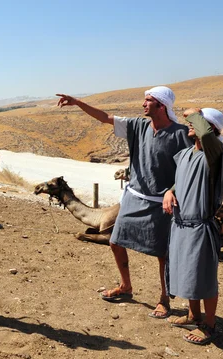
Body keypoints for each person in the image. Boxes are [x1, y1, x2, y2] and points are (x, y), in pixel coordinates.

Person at [56, 87, 193, 318]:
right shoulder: (138, 126)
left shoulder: (180, 134)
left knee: (163, 254)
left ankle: (164, 298)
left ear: (161, 106)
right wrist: (78, 102)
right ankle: (126, 286)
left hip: (162, 203)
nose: (143, 104)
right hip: (134, 197)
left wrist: (173, 191)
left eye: (148, 101)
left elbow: (190, 169)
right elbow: (105, 118)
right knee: (115, 240)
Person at [162, 108, 223, 345]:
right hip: (180, 224)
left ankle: (209, 325)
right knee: (186, 273)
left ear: (209, 128)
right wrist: (169, 193)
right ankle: (193, 315)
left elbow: (208, 138)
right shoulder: (186, 154)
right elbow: (180, 181)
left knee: (204, 277)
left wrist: (194, 114)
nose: (189, 125)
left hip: (201, 226)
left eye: (196, 122)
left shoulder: (217, 153)